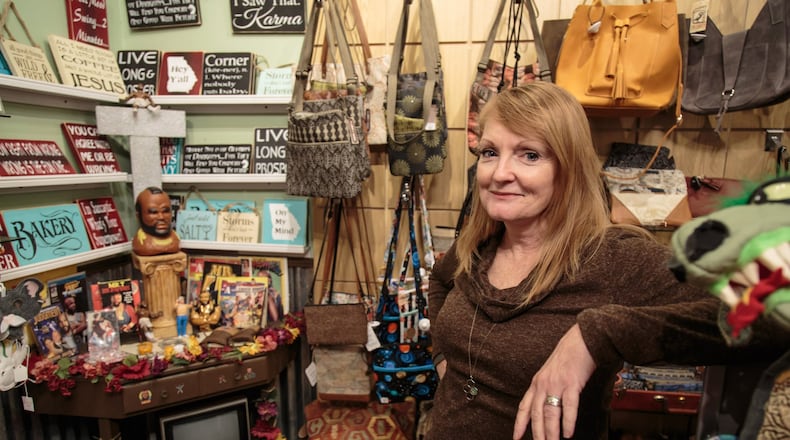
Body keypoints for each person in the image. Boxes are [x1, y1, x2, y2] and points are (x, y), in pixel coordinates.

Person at [425, 82, 789, 440]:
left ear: (568, 168)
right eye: (490, 152)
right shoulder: (478, 246)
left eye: (530, 155)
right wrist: (444, 357)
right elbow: (440, 280)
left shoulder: (614, 258)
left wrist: (600, 333)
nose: (500, 173)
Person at [132, 186, 180, 256]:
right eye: (154, 212)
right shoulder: (140, 242)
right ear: (138, 216)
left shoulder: (175, 238)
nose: (161, 217)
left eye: (165, 211)